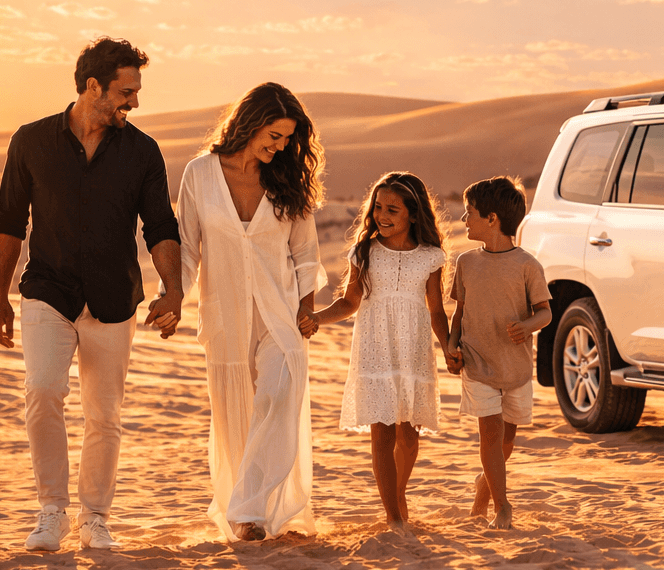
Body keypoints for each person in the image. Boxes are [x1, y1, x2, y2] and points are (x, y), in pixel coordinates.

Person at [0, 36, 184, 553]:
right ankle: (51, 511)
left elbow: (160, 225)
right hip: (47, 292)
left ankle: (94, 517)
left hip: (114, 300)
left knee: (105, 415)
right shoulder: (31, 141)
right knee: (43, 392)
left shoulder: (142, 151)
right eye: (127, 90)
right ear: (92, 85)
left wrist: (174, 289)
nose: (135, 102)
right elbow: (9, 221)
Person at [171, 83, 327, 542]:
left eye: (286, 139)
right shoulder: (199, 175)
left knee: (276, 398)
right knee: (236, 410)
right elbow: (186, 248)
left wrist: (306, 309)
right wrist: (173, 296)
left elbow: (306, 253)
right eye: (274, 135)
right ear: (250, 121)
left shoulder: (287, 179)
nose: (279, 147)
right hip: (225, 314)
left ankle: (247, 509)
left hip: (281, 313)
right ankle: (248, 511)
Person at [307, 172, 456, 530]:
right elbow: (348, 302)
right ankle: (393, 517)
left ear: (414, 214)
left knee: (408, 435)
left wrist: (449, 345)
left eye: (392, 209)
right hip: (375, 348)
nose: (381, 215)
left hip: (414, 348)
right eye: (377, 207)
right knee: (383, 433)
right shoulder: (365, 252)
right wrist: (316, 319)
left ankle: (398, 495)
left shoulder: (431, 257)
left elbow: (436, 310)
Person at [449, 177, 551, 530]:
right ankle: (502, 506)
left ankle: (485, 483)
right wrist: (451, 345)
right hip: (477, 364)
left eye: (470, 213)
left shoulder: (527, 265)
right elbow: (459, 313)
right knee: (490, 434)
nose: (464, 220)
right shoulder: (465, 263)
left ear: (492, 219)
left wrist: (528, 326)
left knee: (507, 439)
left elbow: (545, 311)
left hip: (516, 369)